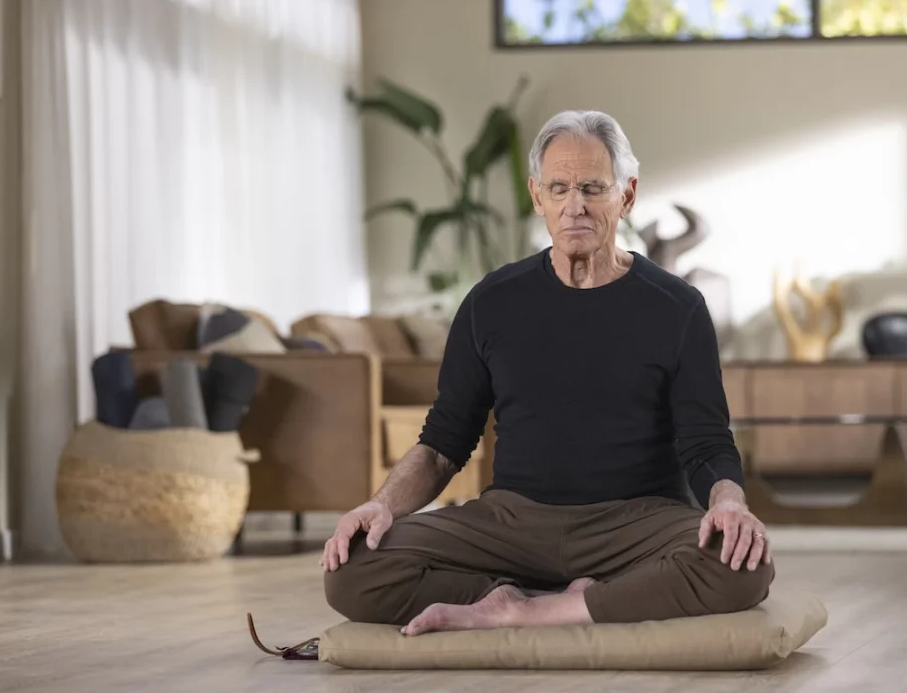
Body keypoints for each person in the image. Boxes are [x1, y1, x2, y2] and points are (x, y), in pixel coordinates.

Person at [321, 110, 773, 636]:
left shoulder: (678, 307)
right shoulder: (491, 301)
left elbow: (706, 443)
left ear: (627, 195)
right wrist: (380, 505)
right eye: (558, 188)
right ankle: (525, 597)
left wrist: (729, 503)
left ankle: (534, 610)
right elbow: (443, 445)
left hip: (635, 523)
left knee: (742, 567)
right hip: (512, 523)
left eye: (592, 188)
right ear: (538, 196)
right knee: (352, 567)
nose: (574, 206)